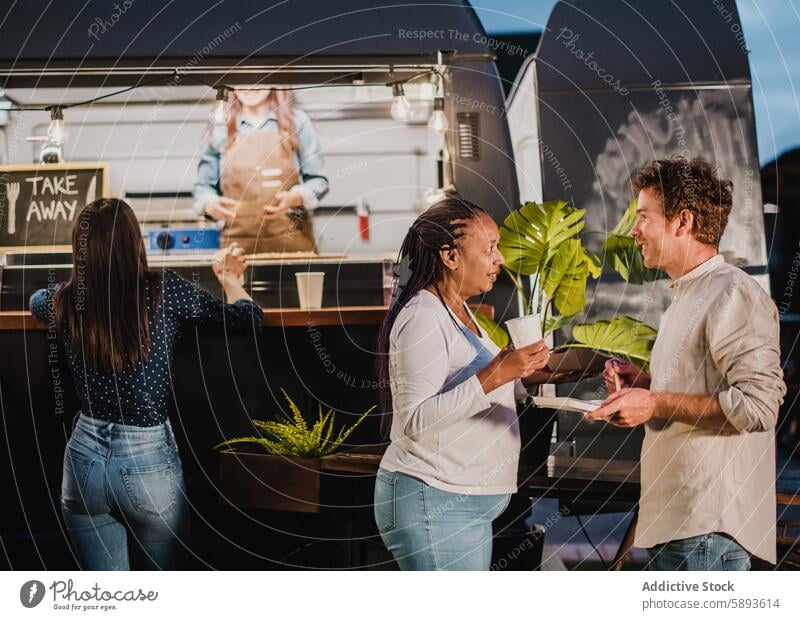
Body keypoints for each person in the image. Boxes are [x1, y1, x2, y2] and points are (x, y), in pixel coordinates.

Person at [29, 198, 262, 570]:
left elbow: (36, 300)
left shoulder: (67, 299)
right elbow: (248, 319)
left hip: (83, 458)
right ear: (134, 242)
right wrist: (231, 279)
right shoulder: (163, 290)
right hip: (147, 461)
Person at [588, 157, 786, 570]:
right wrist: (645, 383)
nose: (634, 230)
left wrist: (655, 403)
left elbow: (759, 407)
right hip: (684, 524)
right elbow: (702, 383)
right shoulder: (690, 293)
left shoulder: (733, 293)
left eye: (644, 217)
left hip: (706, 531)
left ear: (682, 221)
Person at [373, 195, 575, 570]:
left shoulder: (460, 311)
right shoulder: (423, 317)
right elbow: (415, 421)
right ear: (450, 257)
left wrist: (538, 373)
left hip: (460, 510)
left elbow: (480, 385)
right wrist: (499, 371)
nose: (499, 259)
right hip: (433, 505)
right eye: (490, 249)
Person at [193, 86, 329, 253]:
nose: (249, 87)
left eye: (258, 78)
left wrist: (295, 197)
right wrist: (209, 204)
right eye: (241, 79)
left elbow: (319, 181)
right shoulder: (220, 124)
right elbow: (203, 187)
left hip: (293, 246)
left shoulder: (297, 121)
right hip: (236, 253)